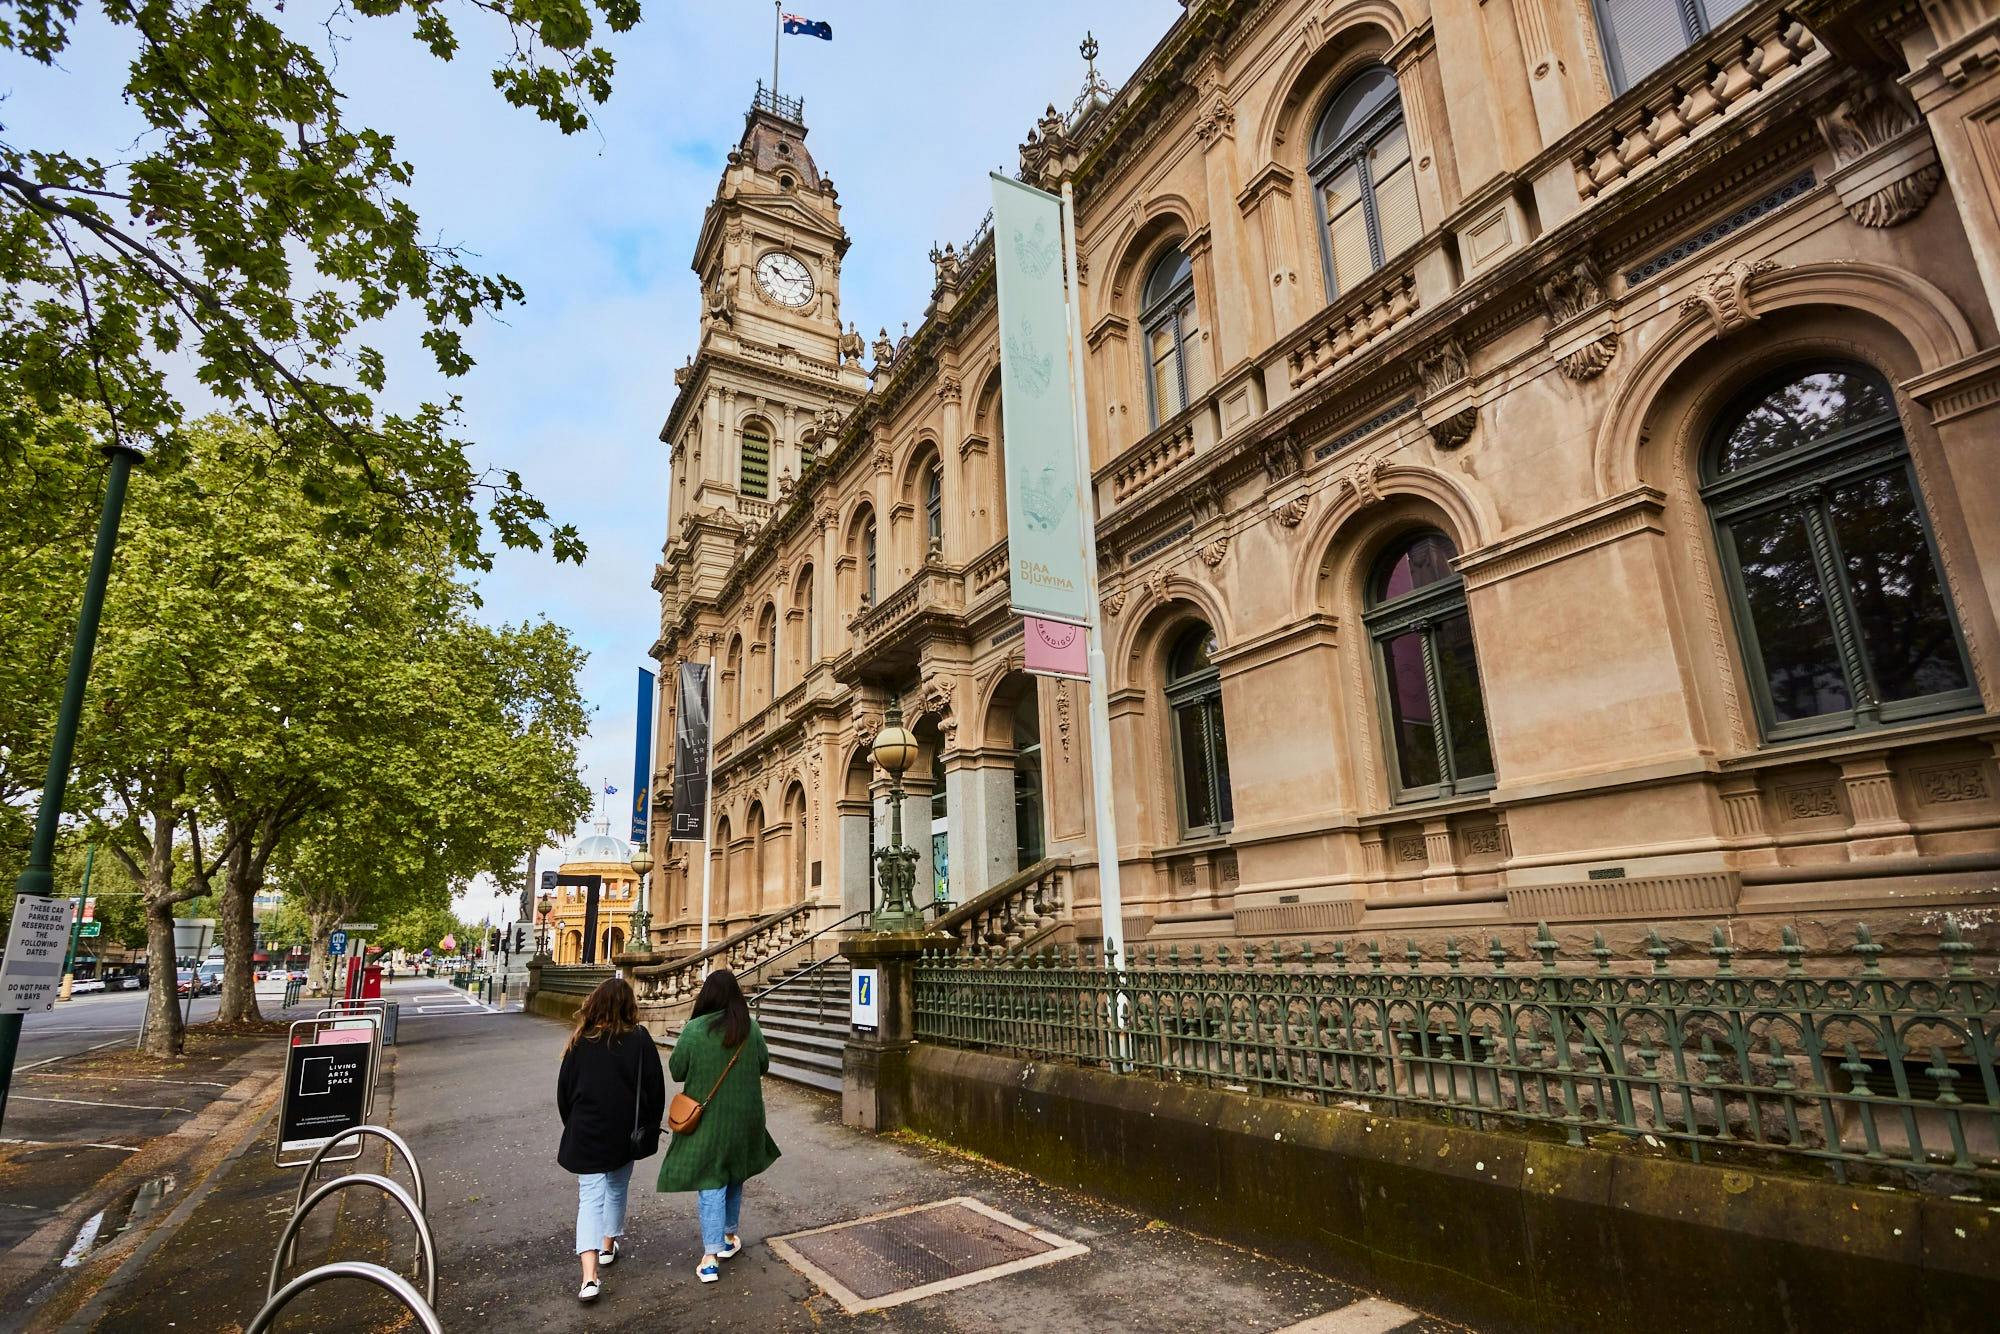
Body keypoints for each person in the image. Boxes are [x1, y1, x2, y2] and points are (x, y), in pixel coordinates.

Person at [657, 968, 781, 1283]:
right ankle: (727, 1238)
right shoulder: (749, 1027)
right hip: (746, 1117)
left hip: (709, 1119)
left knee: (712, 1179)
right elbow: (763, 1064)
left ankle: (710, 1257)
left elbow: (676, 1070)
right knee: (735, 1171)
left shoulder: (695, 1029)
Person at [557, 976, 665, 1303]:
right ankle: (607, 1245)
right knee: (617, 1187)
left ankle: (589, 1277)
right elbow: (655, 1090)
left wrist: (574, 1124)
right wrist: (647, 1125)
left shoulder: (580, 1040)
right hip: (623, 1132)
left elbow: (564, 1093)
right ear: (627, 1006)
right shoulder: (640, 1039)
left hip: (587, 1131)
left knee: (589, 1199)